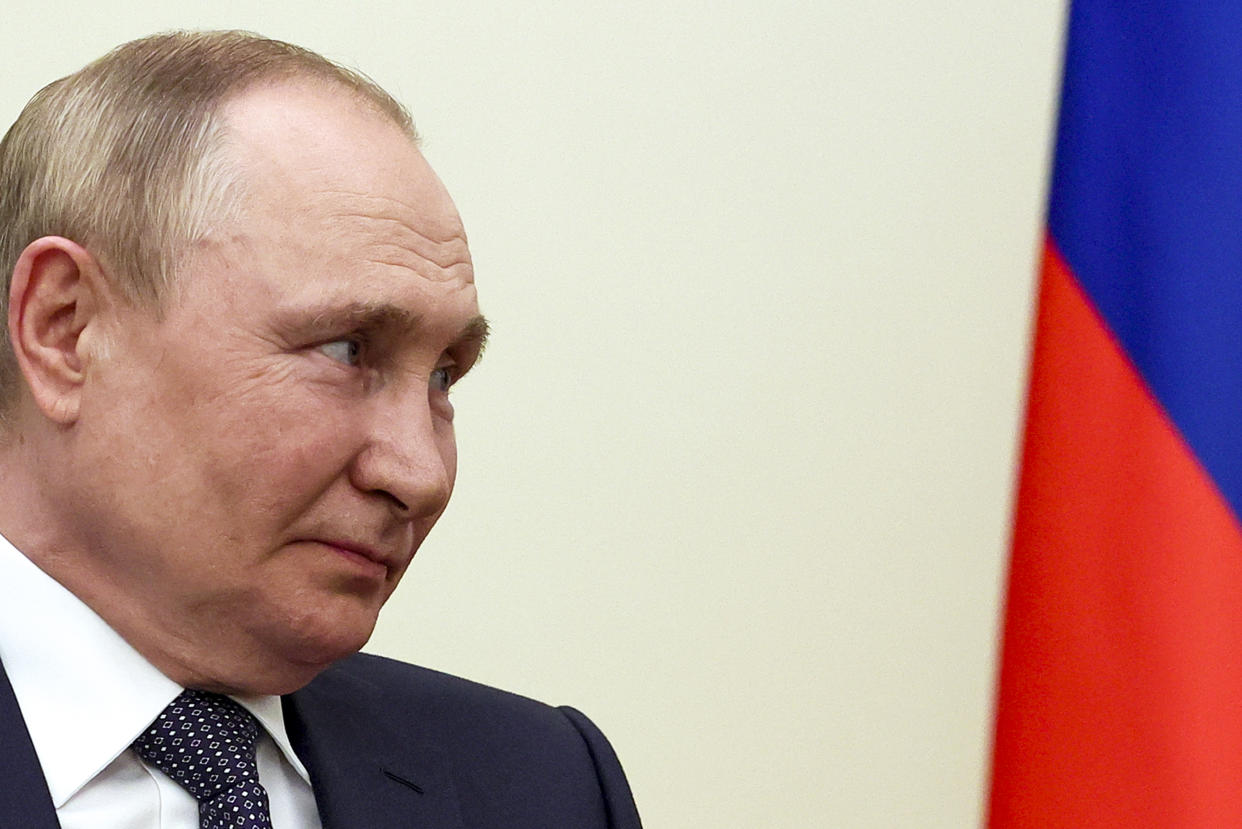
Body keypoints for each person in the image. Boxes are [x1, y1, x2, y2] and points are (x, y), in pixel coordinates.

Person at [0, 30, 641, 828]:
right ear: (67, 330)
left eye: (444, 375)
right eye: (347, 350)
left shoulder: (542, 784)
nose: (420, 473)